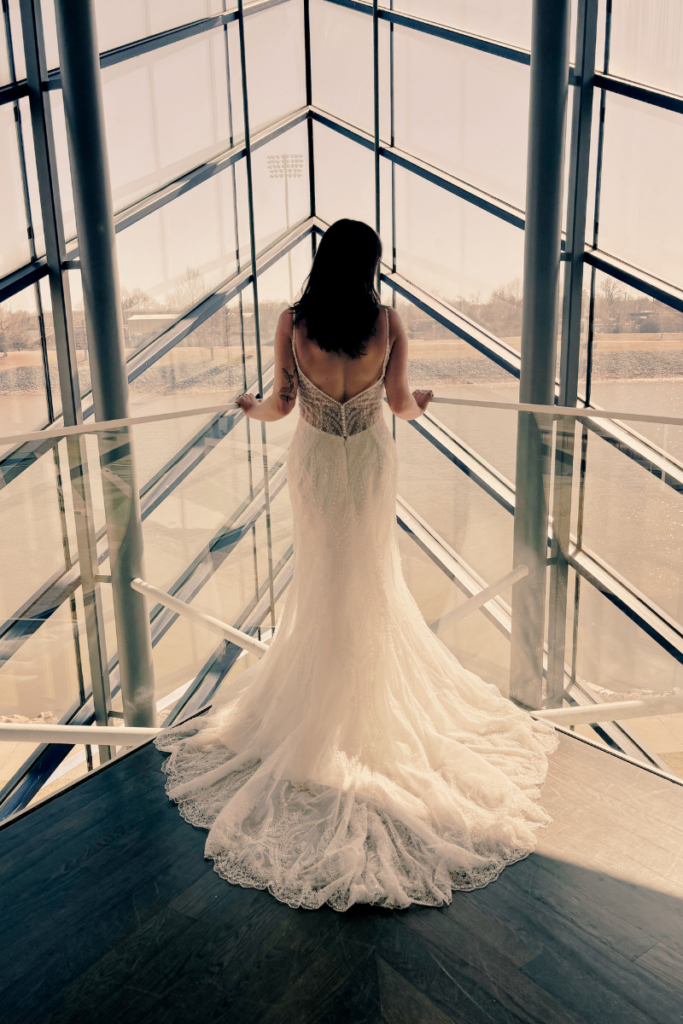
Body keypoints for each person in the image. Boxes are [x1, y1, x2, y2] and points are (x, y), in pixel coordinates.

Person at [155, 219, 557, 911]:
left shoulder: (292, 323)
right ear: (369, 265)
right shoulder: (387, 322)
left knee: (322, 585)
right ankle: (362, 703)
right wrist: (420, 404)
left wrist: (249, 408)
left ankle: (320, 711)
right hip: (368, 460)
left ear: (321, 262)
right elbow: (399, 405)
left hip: (315, 463)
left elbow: (281, 406)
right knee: (368, 584)